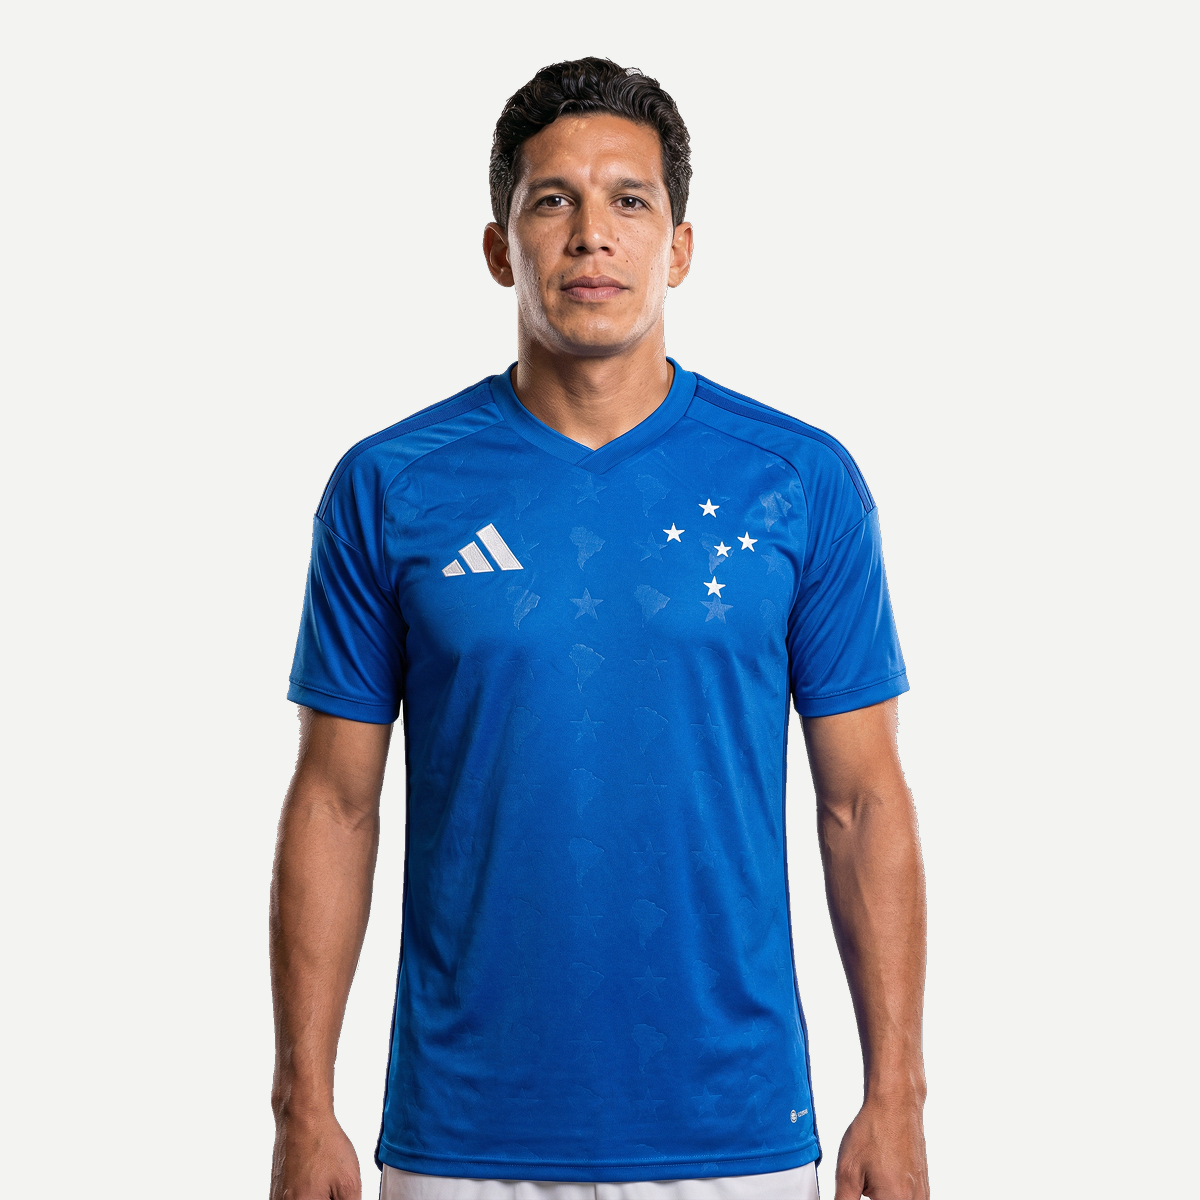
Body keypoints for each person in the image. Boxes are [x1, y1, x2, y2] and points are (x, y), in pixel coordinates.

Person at [270, 57, 929, 1200]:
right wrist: (302, 1106)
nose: (592, 235)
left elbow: (862, 801)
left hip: (735, 1135)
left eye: (630, 199)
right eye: (552, 200)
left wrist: (898, 1097)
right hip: (460, 1138)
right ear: (499, 248)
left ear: (680, 247)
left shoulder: (798, 482)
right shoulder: (390, 486)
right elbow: (335, 801)